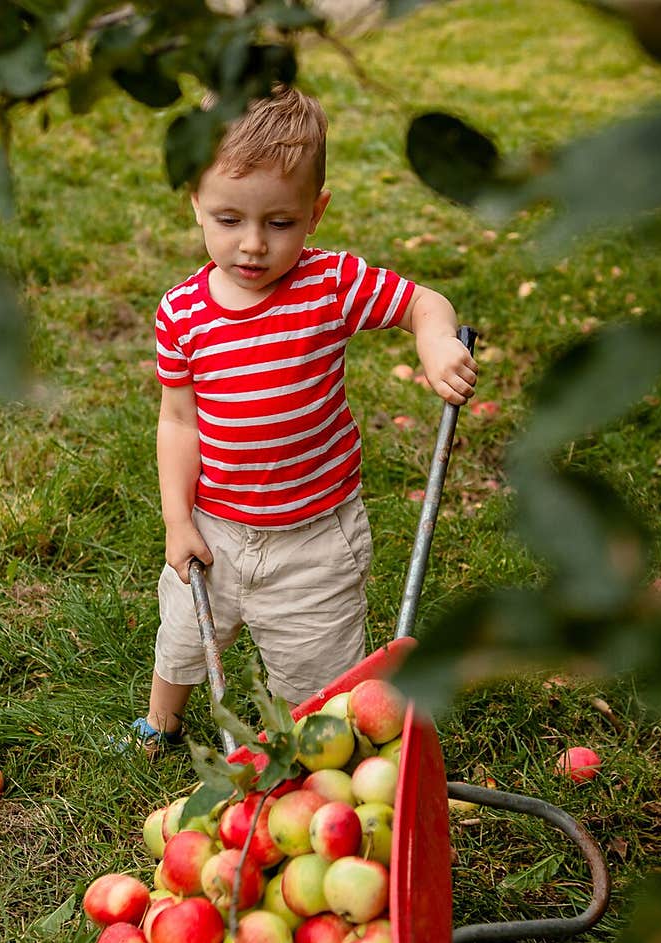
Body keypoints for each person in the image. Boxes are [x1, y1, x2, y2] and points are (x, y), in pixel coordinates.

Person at [119, 83, 477, 753]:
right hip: (216, 525)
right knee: (185, 634)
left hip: (314, 536)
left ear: (315, 213)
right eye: (228, 219)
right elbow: (177, 421)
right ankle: (160, 723)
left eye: (279, 223)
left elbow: (423, 302)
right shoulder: (183, 313)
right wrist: (177, 520)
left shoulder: (330, 285)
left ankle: (312, 754)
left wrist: (434, 341)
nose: (253, 245)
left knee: (320, 675)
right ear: (195, 199)